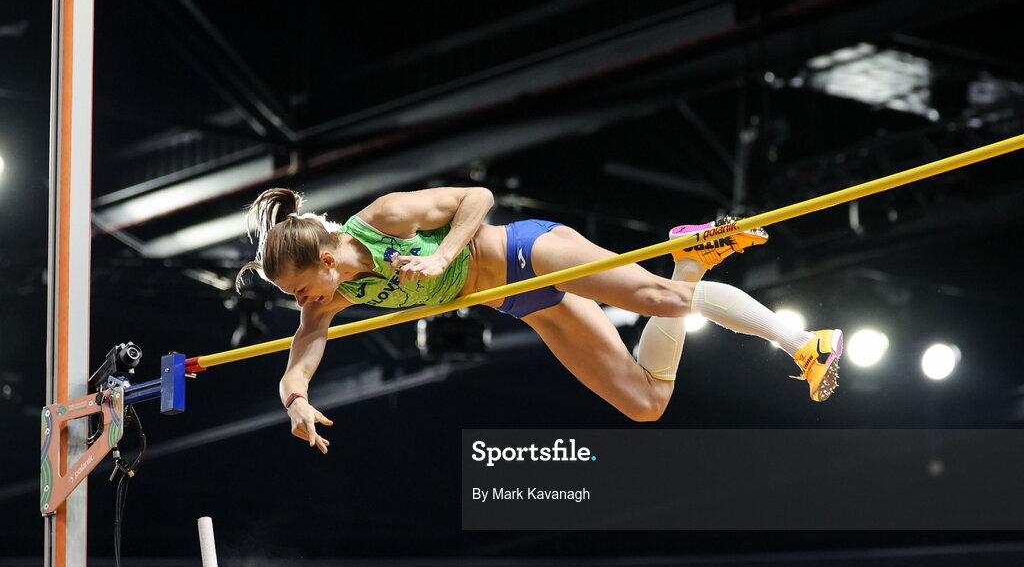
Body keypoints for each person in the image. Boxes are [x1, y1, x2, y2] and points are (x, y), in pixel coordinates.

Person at [237, 187, 842, 453]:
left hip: (529, 252)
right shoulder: (335, 295)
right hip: (521, 301)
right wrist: (296, 403)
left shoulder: (386, 217)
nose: (301, 303)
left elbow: (478, 198)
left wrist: (445, 253)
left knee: (656, 301)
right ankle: (687, 261)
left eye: (297, 289)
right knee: (643, 402)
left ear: (322, 259)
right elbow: (303, 352)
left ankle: (802, 342)